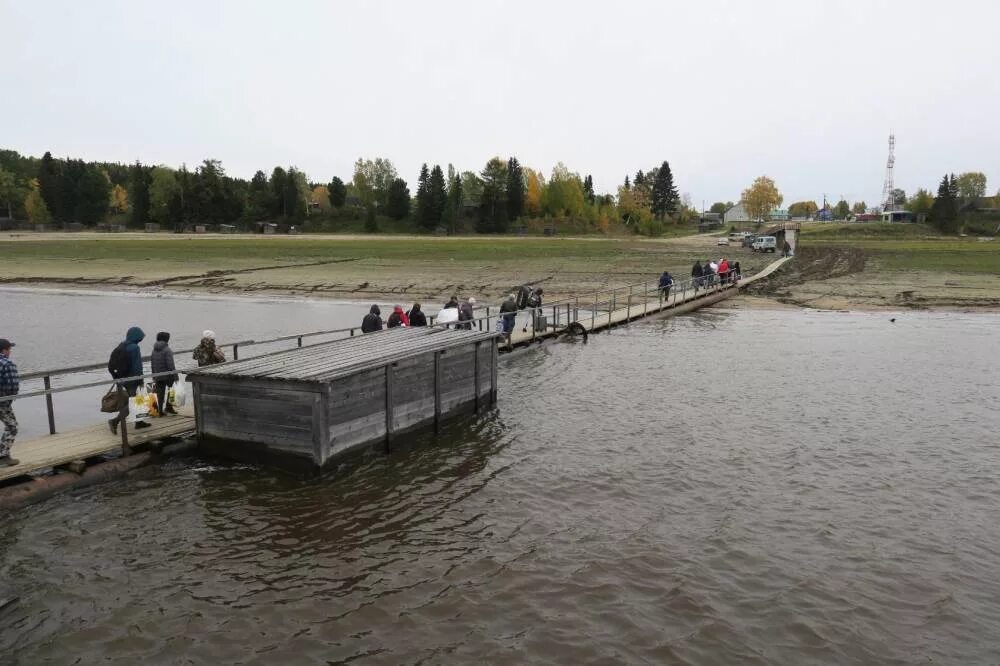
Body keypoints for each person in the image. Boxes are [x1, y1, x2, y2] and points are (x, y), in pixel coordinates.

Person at [108, 326, 147, 434]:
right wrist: (140, 380)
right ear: (136, 336)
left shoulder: (123, 345)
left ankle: (139, 422)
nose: (141, 339)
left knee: (136, 401)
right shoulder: (134, 348)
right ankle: (115, 421)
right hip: (132, 379)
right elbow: (137, 366)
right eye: (140, 336)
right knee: (133, 402)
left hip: (122, 378)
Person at [0, 339, 19, 467]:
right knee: (12, 426)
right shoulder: (7, 364)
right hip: (2, 402)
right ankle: (3, 456)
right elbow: (13, 386)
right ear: (4, 350)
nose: (10, 352)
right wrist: (8, 400)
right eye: (9, 349)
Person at [150, 331, 178, 417]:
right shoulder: (167, 350)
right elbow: (170, 365)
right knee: (172, 390)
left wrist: (154, 375)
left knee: (159, 393)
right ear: (166, 339)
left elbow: (152, 363)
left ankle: (159, 410)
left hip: (157, 375)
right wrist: (175, 375)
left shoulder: (154, 350)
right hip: (168, 375)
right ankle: (169, 407)